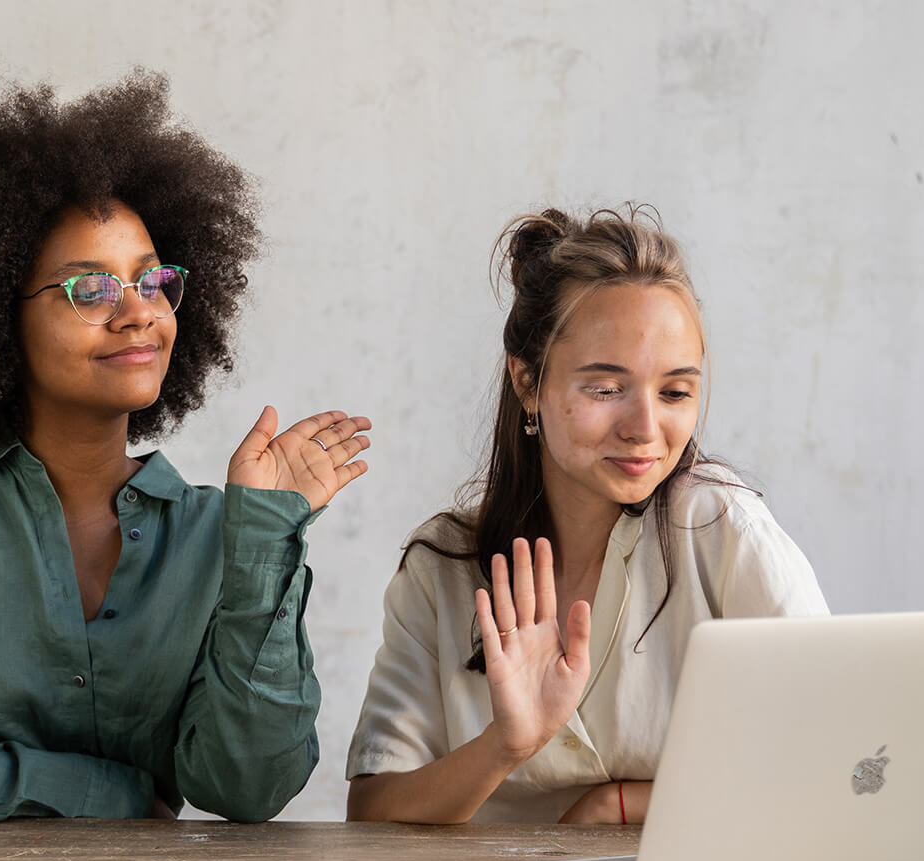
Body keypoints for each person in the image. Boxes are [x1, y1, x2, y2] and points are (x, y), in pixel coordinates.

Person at [0, 70, 373, 823]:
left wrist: (266, 539)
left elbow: (247, 790)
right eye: (90, 289)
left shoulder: (220, 534)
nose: (138, 314)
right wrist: (114, 793)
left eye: (152, 281)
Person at [344, 205, 824, 824]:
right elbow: (374, 811)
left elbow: (834, 760)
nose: (646, 428)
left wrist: (618, 805)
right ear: (526, 382)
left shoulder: (722, 529)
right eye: (605, 389)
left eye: (676, 392)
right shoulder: (444, 568)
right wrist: (506, 745)